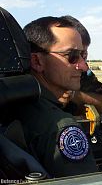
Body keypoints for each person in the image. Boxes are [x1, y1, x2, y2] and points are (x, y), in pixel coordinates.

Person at [18, 16, 97, 177]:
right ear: (37, 61)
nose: (83, 66)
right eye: (72, 56)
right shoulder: (62, 127)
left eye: (83, 55)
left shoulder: (16, 105)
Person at [59, 15, 102, 115]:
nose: (82, 64)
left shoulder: (84, 71)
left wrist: (75, 96)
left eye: (84, 54)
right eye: (72, 55)